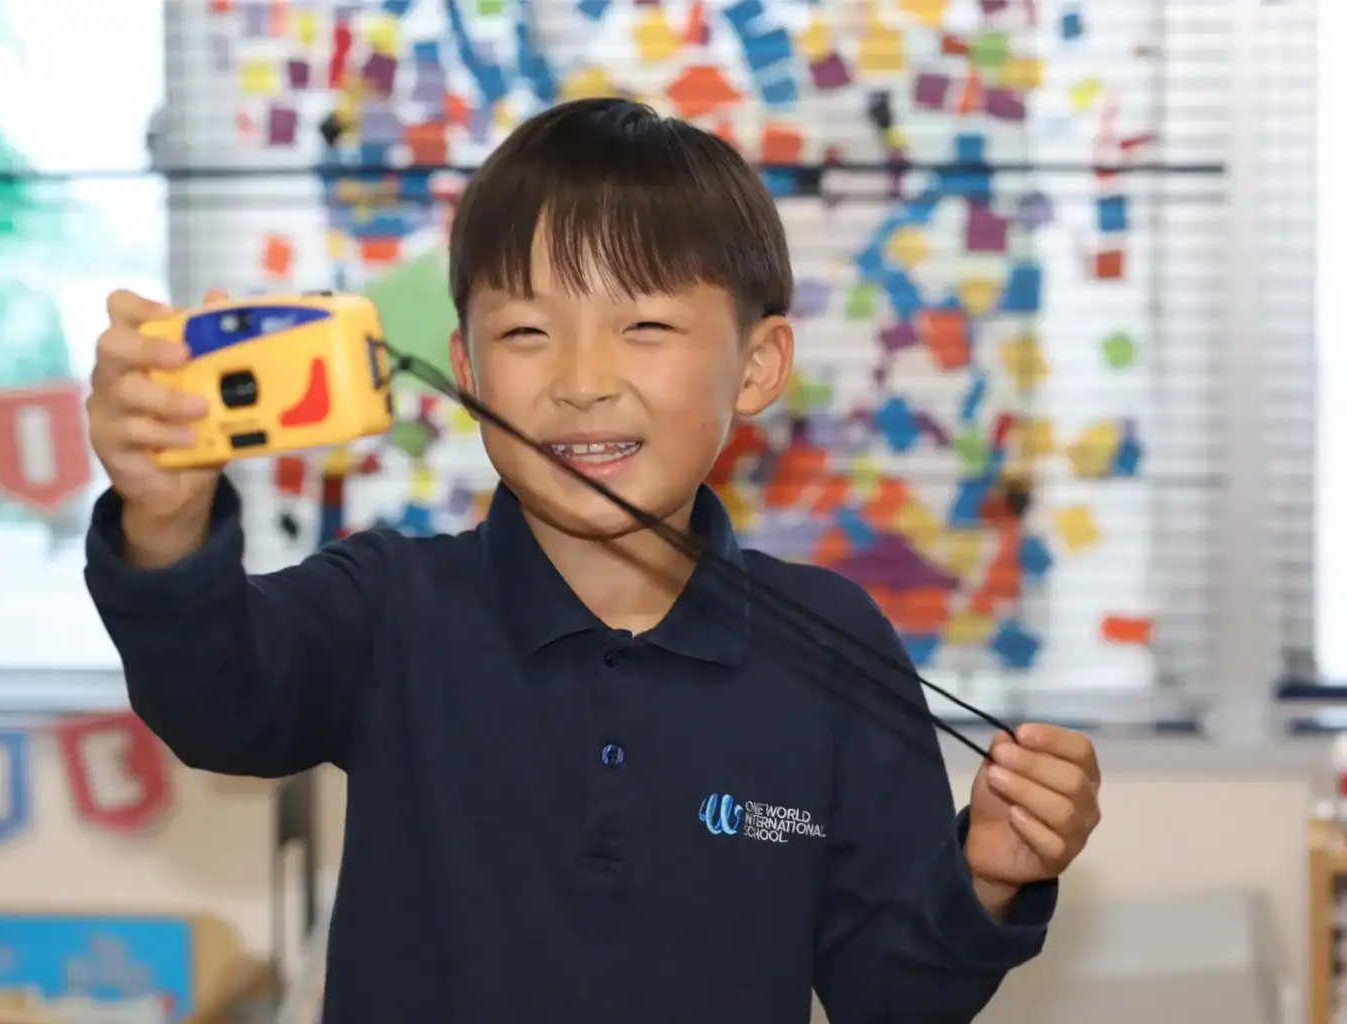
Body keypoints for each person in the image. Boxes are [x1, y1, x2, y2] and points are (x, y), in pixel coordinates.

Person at [83, 98, 1102, 1024]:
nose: (579, 381)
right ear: (469, 368)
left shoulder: (836, 644)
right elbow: (213, 701)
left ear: (757, 365)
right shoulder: (390, 606)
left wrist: (988, 878)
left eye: (646, 325)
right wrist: (165, 520)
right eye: (527, 330)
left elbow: (892, 997)